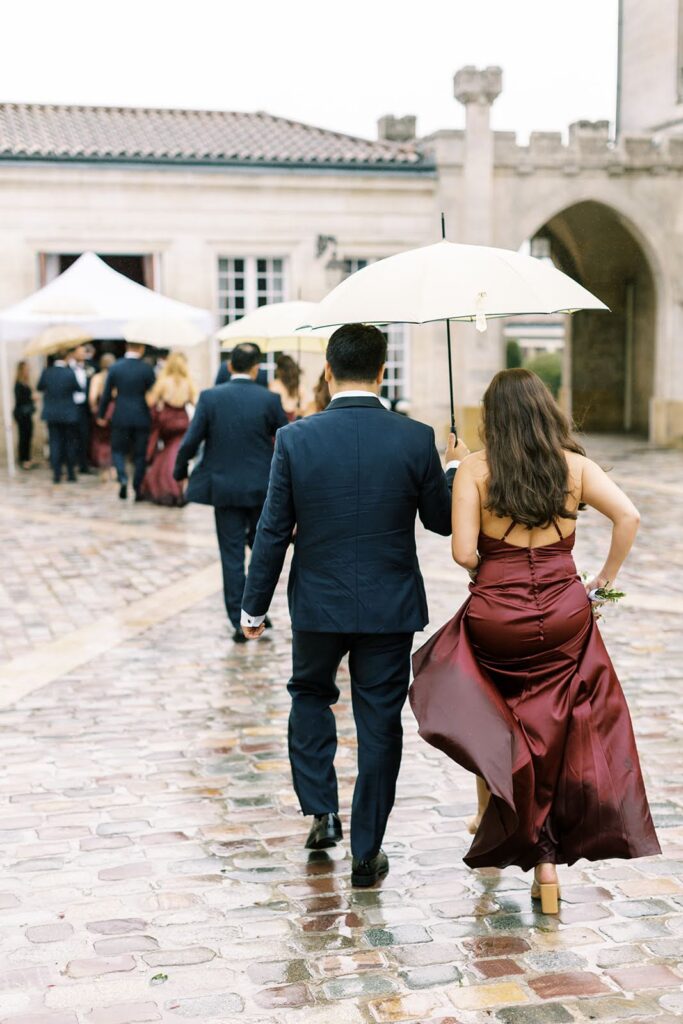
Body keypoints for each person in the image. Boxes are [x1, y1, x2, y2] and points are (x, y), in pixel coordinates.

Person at [410, 368, 660, 915]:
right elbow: (629, 515)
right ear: (545, 412)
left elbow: (463, 554)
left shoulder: (476, 468)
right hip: (566, 610)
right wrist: (604, 580)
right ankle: (545, 863)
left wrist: (454, 471)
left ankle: (501, 821)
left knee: (492, 714)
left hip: (498, 614)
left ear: (493, 417)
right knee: (556, 727)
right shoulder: (574, 466)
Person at [240, 324, 468, 887]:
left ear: (328, 369)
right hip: (389, 607)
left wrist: (253, 607)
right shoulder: (415, 437)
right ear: (383, 371)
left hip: (318, 602)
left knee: (310, 696)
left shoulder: (296, 439)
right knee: (379, 721)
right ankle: (368, 850)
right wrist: (454, 470)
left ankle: (321, 812)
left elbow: (273, 529)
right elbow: (440, 523)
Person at [173, 342, 288, 641]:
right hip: (261, 488)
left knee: (232, 555)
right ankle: (256, 612)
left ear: (229, 367)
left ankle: (240, 619)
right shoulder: (269, 399)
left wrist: (179, 469)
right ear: (256, 368)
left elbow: (191, 440)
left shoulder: (210, 398)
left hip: (224, 488)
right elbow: (288, 439)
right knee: (261, 551)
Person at [97, 342, 156, 501]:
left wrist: (101, 415)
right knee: (140, 454)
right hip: (141, 415)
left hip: (121, 414)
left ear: (127, 348)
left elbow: (106, 394)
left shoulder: (116, 367)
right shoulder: (146, 369)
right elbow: (154, 394)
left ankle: (122, 477)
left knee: (117, 450)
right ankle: (137, 488)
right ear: (141, 349)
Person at [141, 352, 198, 506]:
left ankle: (168, 485)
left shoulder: (164, 381)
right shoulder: (188, 382)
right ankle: (176, 486)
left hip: (167, 420)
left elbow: (151, 401)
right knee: (176, 451)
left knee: (169, 450)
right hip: (182, 420)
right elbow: (195, 402)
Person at [37, 350, 81, 483]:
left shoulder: (47, 372)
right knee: (69, 443)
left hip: (52, 413)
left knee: (54, 443)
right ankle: (71, 473)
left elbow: (39, 387)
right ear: (66, 357)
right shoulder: (69, 372)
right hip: (68, 413)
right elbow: (78, 388)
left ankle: (56, 474)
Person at [88, 352, 116, 475]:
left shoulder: (97, 378)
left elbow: (92, 396)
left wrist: (93, 408)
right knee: (113, 439)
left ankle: (103, 467)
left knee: (100, 440)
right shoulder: (116, 377)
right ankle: (113, 467)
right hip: (113, 409)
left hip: (101, 409)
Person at [68, 344, 92, 473]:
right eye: (80, 352)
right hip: (70, 405)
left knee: (84, 435)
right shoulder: (67, 368)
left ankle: (83, 464)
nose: (83, 355)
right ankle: (71, 463)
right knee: (71, 436)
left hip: (84, 407)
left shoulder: (89, 367)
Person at [13, 361, 36, 469]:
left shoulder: (26, 383)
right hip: (22, 414)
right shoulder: (18, 383)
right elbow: (20, 399)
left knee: (28, 435)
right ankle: (24, 459)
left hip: (27, 413)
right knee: (24, 436)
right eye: (26, 368)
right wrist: (31, 398)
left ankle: (27, 458)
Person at [269, 354, 303, 420]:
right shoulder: (299, 386)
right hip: (294, 423)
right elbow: (304, 408)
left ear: (280, 370)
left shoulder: (274, 384)